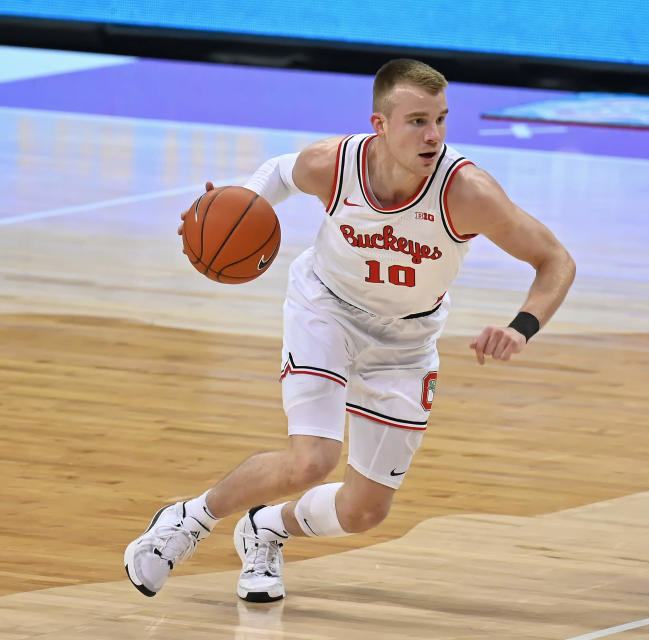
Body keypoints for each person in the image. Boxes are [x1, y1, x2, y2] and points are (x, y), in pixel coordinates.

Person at [124, 58, 575, 600]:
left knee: (364, 512)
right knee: (312, 460)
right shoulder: (335, 164)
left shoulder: (467, 192)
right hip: (326, 310)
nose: (433, 135)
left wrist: (522, 327)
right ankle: (186, 521)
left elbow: (555, 260)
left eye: (440, 119)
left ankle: (265, 529)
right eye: (416, 121)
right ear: (379, 125)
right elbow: (279, 172)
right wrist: (234, 208)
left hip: (407, 343)